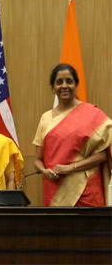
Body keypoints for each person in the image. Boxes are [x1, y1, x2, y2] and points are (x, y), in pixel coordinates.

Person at [33, 63, 112, 206]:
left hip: (87, 190)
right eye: (59, 82)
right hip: (55, 192)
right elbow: (37, 160)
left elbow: (103, 155)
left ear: (76, 86)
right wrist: (45, 171)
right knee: (58, 228)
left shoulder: (91, 114)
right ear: (53, 88)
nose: (64, 86)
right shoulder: (45, 118)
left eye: (69, 81)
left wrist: (71, 168)